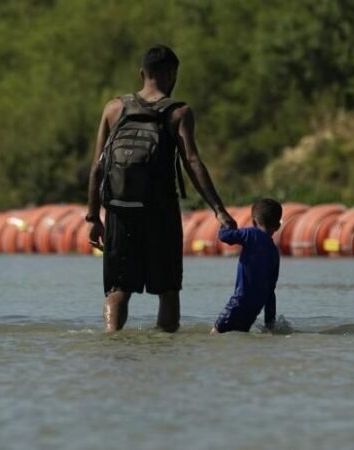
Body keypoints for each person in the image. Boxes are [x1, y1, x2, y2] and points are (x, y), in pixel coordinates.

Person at [86, 45, 236, 333]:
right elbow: (193, 162)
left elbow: (97, 167)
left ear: (142, 73)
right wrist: (218, 209)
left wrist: (93, 218)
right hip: (160, 212)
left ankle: (111, 339)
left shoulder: (114, 108)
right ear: (172, 75)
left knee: (118, 288)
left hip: (119, 210)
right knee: (167, 289)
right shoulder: (178, 112)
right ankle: (165, 348)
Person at [212, 199, 282, 334]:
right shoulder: (274, 252)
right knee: (240, 335)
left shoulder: (251, 234)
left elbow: (225, 237)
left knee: (216, 334)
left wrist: (225, 223)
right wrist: (270, 323)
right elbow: (271, 291)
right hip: (256, 306)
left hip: (239, 301)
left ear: (254, 221)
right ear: (278, 226)